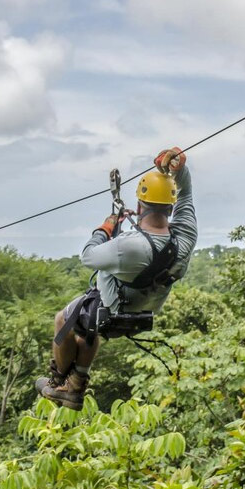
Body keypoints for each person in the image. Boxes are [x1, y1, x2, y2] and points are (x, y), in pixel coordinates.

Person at [35, 147, 197, 410]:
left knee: (63, 319)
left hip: (115, 306)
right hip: (146, 308)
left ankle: (59, 383)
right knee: (86, 329)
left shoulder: (128, 247)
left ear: (139, 206)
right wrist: (180, 170)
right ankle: (76, 385)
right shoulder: (185, 237)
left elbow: (88, 256)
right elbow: (186, 194)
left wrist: (106, 228)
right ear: (171, 207)